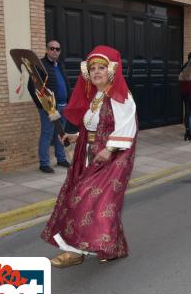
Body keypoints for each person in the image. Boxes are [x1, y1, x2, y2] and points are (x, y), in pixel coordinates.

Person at [41, 45, 138, 267]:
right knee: (105, 205)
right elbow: (92, 126)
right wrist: (75, 137)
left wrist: (109, 149)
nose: (96, 72)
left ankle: (74, 253)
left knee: (84, 198)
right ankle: (112, 248)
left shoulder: (121, 97)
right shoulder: (96, 96)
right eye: (92, 68)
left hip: (111, 159)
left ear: (111, 70)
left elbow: (127, 127)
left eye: (101, 67)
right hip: (89, 154)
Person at [27, 40, 71, 173]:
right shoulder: (40, 65)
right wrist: (42, 105)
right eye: (52, 48)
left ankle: (61, 158)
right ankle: (44, 163)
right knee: (47, 134)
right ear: (47, 50)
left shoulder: (60, 65)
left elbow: (66, 83)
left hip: (63, 106)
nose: (55, 51)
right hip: (49, 108)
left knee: (61, 134)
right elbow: (31, 87)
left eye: (57, 49)